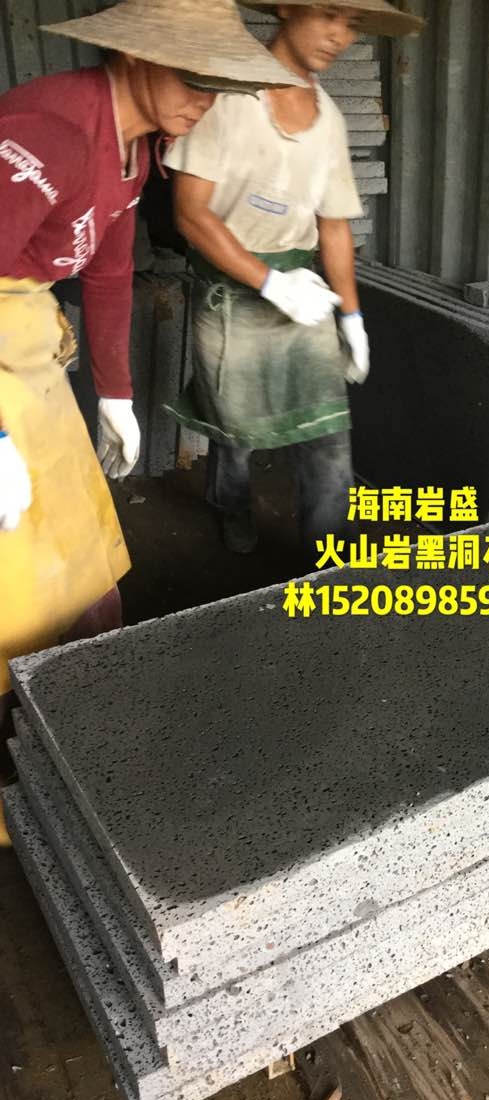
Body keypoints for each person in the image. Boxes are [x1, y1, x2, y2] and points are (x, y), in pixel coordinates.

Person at [0, 0, 305, 844]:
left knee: (81, 541)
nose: (205, 100)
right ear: (133, 57)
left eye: (217, 86)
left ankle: (75, 730)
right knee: (13, 579)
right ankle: (16, 779)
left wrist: (115, 393)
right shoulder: (49, 133)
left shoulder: (136, 150)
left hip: (23, 346)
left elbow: (107, 273)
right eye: (193, 79)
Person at [164, 1, 423, 557]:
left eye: (351, 24)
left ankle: (326, 560)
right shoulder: (228, 97)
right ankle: (230, 508)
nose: (340, 35)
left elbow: (334, 226)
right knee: (236, 431)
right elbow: (190, 214)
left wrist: (351, 316)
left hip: (303, 292)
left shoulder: (329, 120)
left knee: (328, 435)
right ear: (287, 8)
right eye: (329, 14)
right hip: (230, 296)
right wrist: (269, 284)